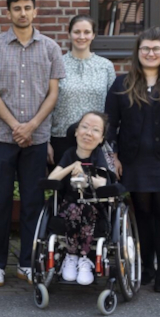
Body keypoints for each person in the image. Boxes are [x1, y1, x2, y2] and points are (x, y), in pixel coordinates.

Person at [0, 0, 65, 287]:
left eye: (28, 7)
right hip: (3, 137)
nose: (23, 13)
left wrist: (31, 127)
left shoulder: (51, 48)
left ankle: (28, 262)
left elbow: (53, 93)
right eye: (17, 8)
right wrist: (17, 125)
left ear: (35, 11)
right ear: (8, 13)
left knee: (32, 202)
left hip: (37, 138)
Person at [105, 28, 160, 294]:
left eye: (156, 48)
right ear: (138, 52)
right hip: (134, 160)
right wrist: (114, 156)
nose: (151, 53)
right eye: (145, 48)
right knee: (143, 215)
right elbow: (110, 123)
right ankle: (146, 267)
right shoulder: (121, 84)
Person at [47, 111, 112, 286]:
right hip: (69, 206)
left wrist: (86, 177)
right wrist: (72, 166)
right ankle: (71, 255)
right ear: (76, 131)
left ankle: (84, 258)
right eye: (84, 127)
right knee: (73, 208)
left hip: (94, 206)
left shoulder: (98, 155)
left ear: (101, 138)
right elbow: (52, 179)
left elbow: (103, 183)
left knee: (85, 208)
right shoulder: (69, 153)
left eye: (95, 130)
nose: (88, 133)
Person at [49, 16, 116, 166]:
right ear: (69, 34)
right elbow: (48, 104)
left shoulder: (105, 66)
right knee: (65, 187)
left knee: (95, 187)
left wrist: (112, 143)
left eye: (87, 32)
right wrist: (46, 141)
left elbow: (113, 107)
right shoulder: (57, 64)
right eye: (77, 32)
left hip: (96, 141)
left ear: (93, 35)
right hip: (61, 139)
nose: (81, 37)